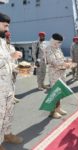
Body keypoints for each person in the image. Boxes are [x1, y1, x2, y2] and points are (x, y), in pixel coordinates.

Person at [0, 12, 23, 150]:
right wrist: (10, 56)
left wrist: (17, 68)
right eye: (5, 25)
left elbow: (8, 62)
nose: (7, 29)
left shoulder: (2, 42)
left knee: (8, 112)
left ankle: (7, 134)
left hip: (8, 85)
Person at [46, 33, 69, 119]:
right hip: (54, 74)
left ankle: (58, 108)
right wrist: (65, 64)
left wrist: (67, 60)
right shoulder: (49, 48)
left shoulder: (57, 48)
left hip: (61, 73)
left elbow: (61, 58)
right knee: (55, 92)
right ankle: (52, 111)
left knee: (59, 92)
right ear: (55, 41)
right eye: (59, 42)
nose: (60, 44)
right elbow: (52, 61)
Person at [5, 31, 19, 104]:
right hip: (7, 70)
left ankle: (13, 97)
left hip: (14, 68)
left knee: (13, 83)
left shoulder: (11, 46)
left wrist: (18, 66)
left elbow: (15, 58)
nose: (9, 39)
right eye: (7, 37)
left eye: (9, 37)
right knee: (8, 85)